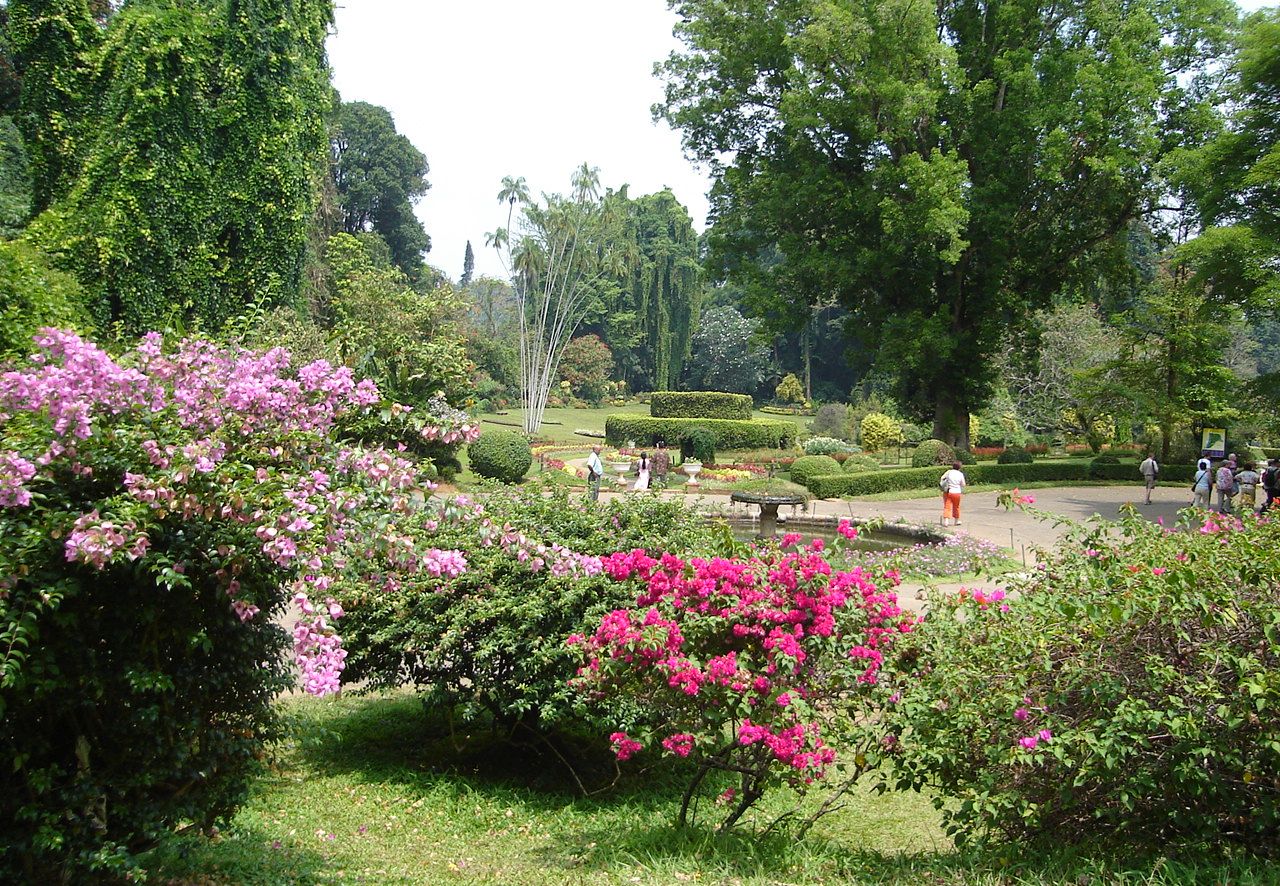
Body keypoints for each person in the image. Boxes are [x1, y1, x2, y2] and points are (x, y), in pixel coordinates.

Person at [939, 460, 967, 527]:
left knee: (947, 506)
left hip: (948, 492)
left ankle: (946, 521)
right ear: (960, 467)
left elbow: (942, 478)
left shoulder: (949, 472)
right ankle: (956, 521)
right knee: (956, 507)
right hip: (957, 492)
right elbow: (963, 484)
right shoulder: (960, 474)